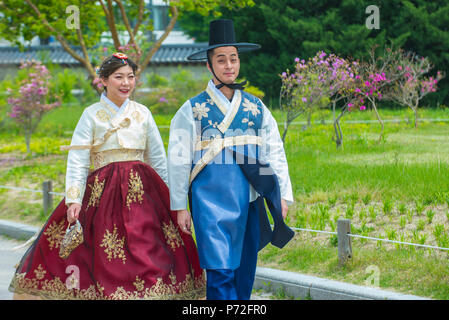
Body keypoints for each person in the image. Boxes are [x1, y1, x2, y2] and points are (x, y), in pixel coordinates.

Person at [9, 53, 205, 300]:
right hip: (102, 196)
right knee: (103, 257)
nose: (126, 83)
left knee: (148, 252)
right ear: (103, 80)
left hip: (143, 195)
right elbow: (78, 161)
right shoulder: (90, 114)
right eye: (118, 77)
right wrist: (74, 199)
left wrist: (172, 200)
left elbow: (157, 160)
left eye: (131, 77)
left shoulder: (143, 113)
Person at [167, 19, 294, 300]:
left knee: (245, 271)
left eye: (233, 59)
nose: (229, 66)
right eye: (221, 60)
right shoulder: (191, 110)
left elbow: (275, 152)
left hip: (250, 200)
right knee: (220, 270)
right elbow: (177, 162)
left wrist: (282, 195)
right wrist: (179, 206)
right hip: (209, 204)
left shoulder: (256, 107)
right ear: (209, 65)